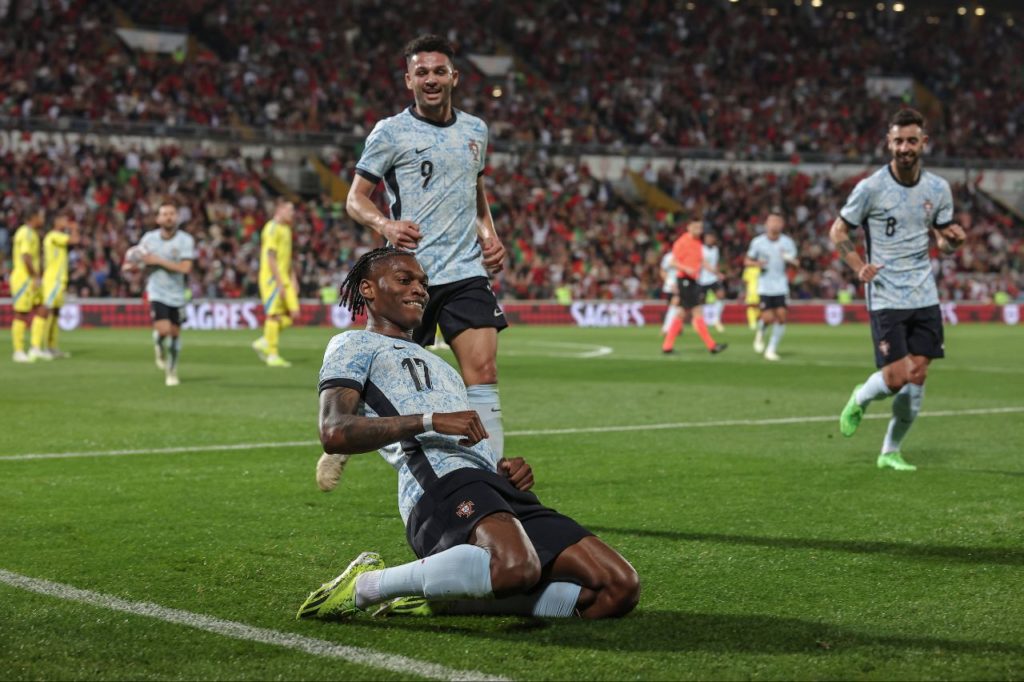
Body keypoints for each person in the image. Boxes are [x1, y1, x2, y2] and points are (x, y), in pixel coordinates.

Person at [298, 247, 639, 620]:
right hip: (437, 485)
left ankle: (446, 600)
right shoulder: (352, 344)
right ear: (367, 288)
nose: (420, 289)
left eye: (424, 283)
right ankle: (366, 587)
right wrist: (428, 420)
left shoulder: (444, 367)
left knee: (618, 588)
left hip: (491, 487)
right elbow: (334, 431)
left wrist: (501, 466)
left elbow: (470, 435)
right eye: (405, 280)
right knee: (514, 565)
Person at [345, 34, 508, 460]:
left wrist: (489, 234)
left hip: (465, 273)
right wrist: (387, 224)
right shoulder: (391, 132)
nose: (431, 79)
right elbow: (355, 199)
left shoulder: (475, 130)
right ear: (408, 80)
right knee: (398, 383)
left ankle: (490, 477)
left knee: (484, 374)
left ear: (454, 76)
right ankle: (346, 431)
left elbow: (475, 191)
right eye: (422, 72)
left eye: (439, 71)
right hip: (408, 278)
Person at [830, 108, 966, 471]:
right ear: (888, 143)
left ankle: (890, 451)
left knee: (918, 373)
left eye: (911, 140)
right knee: (896, 378)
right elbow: (838, 232)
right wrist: (859, 267)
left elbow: (944, 241)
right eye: (898, 141)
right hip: (886, 292)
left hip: (924, 293)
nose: (905, 147)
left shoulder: (938, 189)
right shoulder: (871, 188)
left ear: (924, 143)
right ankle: (859, 397)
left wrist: (955, 241)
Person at [126, 201, 194, 387]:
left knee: (174, 334)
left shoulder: (185, 240)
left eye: (172, 213)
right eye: (164, 214)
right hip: (157, 292)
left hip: (178, 294)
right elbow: (138, 260)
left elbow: (185, 268)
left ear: (177, 217)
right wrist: (131, 265)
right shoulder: (148, 239)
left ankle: (171, 369)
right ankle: (163, 355)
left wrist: (158, 261)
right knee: (164, 329)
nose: (168, 217)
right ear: (158, 219)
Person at [661, 221, 727, 355]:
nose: (699, 230)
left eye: (700, 227)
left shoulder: (697, 243)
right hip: (685, 280)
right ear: (688, 227)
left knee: (681, 312)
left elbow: (702, 261)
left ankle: (667, 346)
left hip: (693, 280)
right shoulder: (682, 242)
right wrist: (686, 269)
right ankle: (712, 346)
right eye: (696, 227)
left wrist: (715, 272)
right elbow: (672, 261)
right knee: (697, 311)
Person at [252, 199, 299, 368]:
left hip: (284, 278)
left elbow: (287, 257)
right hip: (272, 278)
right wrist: (279, 282)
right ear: (279, 210)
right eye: (290, 210)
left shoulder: (286, 228)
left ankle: (265, 340)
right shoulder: (271, 228)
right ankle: (272, 355)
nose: (293, 213)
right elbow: (270, 257)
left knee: (294, 313)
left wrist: (293, 278)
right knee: (273, 314)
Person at [746, 212, 797, 361]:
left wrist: (790, 260)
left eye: (778, 221)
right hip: (765, 285)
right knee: (767, 317)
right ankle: (760, 332)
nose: (775, 224)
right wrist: (757, 264)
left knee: (781, 317)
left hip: (781, 285)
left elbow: (796, 262)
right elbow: (747, 261)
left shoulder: (787, 242)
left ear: (782, 224)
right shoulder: (757, 242)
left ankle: (771, 349)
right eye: (772, 221)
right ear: (766, 224)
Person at [9, 206, 47, 363]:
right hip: (23, 279)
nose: (42, 220)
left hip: (32, 278)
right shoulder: (25, 233)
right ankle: (18, 351)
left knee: (42, 310)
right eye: (40, 216)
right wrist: (34, 275)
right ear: (33, 217)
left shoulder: (33, 234)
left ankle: (35, 347)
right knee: (21, 313)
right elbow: (26, 257)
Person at [40, 213, 80, 358]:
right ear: (56, 222)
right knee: (47, 310)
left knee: (55, 313)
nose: (66, 221)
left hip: (59, 280)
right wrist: (74, 228)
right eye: (63, 219)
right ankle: (41, 347)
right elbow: (75, 240)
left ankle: (52, 347)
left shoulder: (58, 237)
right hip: (52, 280)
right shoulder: (53, 235)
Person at [698, 230, 726, 333]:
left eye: (711, 237)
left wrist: (717, 273)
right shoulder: (700, 249)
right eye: (708, 237)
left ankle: (716, 320)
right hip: (701, 279)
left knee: (721, 295)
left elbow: (715, 263)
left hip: (713, 279)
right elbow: (703, 263)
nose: (710, 239)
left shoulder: (715, 249)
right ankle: (701, 322)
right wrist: (717, 273)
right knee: (701, 301)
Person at [658, 244, 680, 334]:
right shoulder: (668, 257)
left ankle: (668, 328)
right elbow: (662, 271)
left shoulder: (686, 256)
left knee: (676, 305)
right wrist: (671, 284)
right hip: (671, 287)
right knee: (675, 306)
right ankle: (668, 328)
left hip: (683, 285)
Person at [741, 261, 761, 331]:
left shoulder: (747, 270)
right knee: (759, 306)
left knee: (751, 306)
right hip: (760, 290)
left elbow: (744, 281)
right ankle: (756, 321)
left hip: (751, 290)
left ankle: (753, 323)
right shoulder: (760, 268)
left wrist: (744, 291)